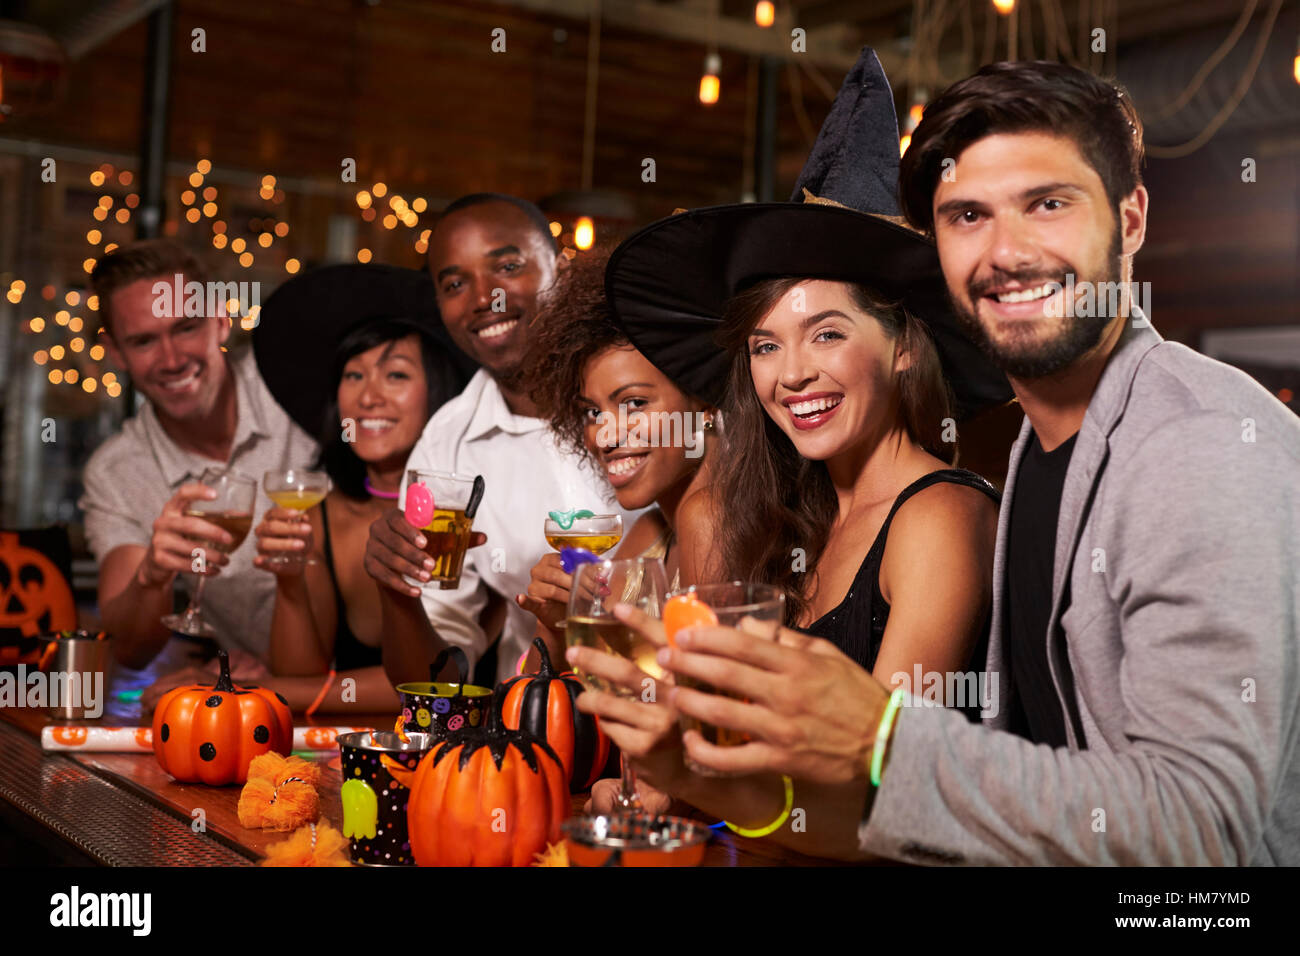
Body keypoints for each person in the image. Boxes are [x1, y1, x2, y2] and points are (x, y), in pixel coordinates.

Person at [601, 60, 1300, 864]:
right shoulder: (1044, 454)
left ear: (1131, 218)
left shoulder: (1201, 446)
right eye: (967, 216)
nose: (1005, 251)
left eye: (1047, 204)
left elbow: (1207, 832)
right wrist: (693, 778)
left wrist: (881, 736)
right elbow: (961, 821)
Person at [575, 48, 1012, 821]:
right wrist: (660, 786)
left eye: (827, 334)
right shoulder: (796, 512)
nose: (791, 375)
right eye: (766, 345)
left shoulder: (940, 518)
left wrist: (691, 787)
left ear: (904, 346)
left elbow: (882, 795)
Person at [363, 194, 643, 687]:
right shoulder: (447, 450)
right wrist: (396, 591)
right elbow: (440, 681)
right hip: (543, 724)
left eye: (507, 266)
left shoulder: (645, 395)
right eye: (455, 283)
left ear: (559, 268)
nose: (483, 298)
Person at [231, 264, 473, 713]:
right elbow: (298, 672)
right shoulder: (318, 513)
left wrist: (253, 694)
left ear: (438, 391)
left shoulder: (460, 516)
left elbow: (440, 682)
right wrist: (289, 577)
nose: (368, 397)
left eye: (396, 375)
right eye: (353, 375)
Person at [80, 240, 317, 672]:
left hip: (384, 672)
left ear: (222, 320)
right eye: (143, 341)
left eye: (186, 328)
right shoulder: (117, 472)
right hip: (277, 695)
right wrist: (152, 575)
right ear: (115, 353)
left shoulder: (294, 387)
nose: (171, 359)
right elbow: (131, 651)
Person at [515, 246, 720, 670]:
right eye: (592, 412)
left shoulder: (712, 521)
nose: (604, 436)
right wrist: (556, 627)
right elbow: (542, 714)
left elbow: (703, 718)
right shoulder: (650, 536)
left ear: (705, 401)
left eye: (634, 403)